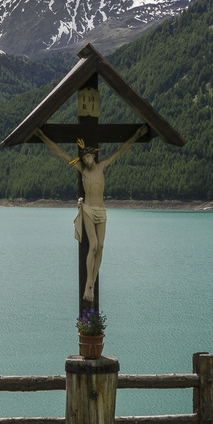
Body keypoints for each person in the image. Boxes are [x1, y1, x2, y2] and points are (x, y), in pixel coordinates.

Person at [36, 125, 147, 302]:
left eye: (89, 156)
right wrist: (42, 136)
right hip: (88, 209)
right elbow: (61, 153)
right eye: (84, 158)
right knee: (93, 245)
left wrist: (136, 135)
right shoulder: (82, 169)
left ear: (94, 155)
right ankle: (89, 283)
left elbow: (121, 150)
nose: (87, 160)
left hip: (101, 210)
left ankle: (92, 285)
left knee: (101, 246)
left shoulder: (102, 166)